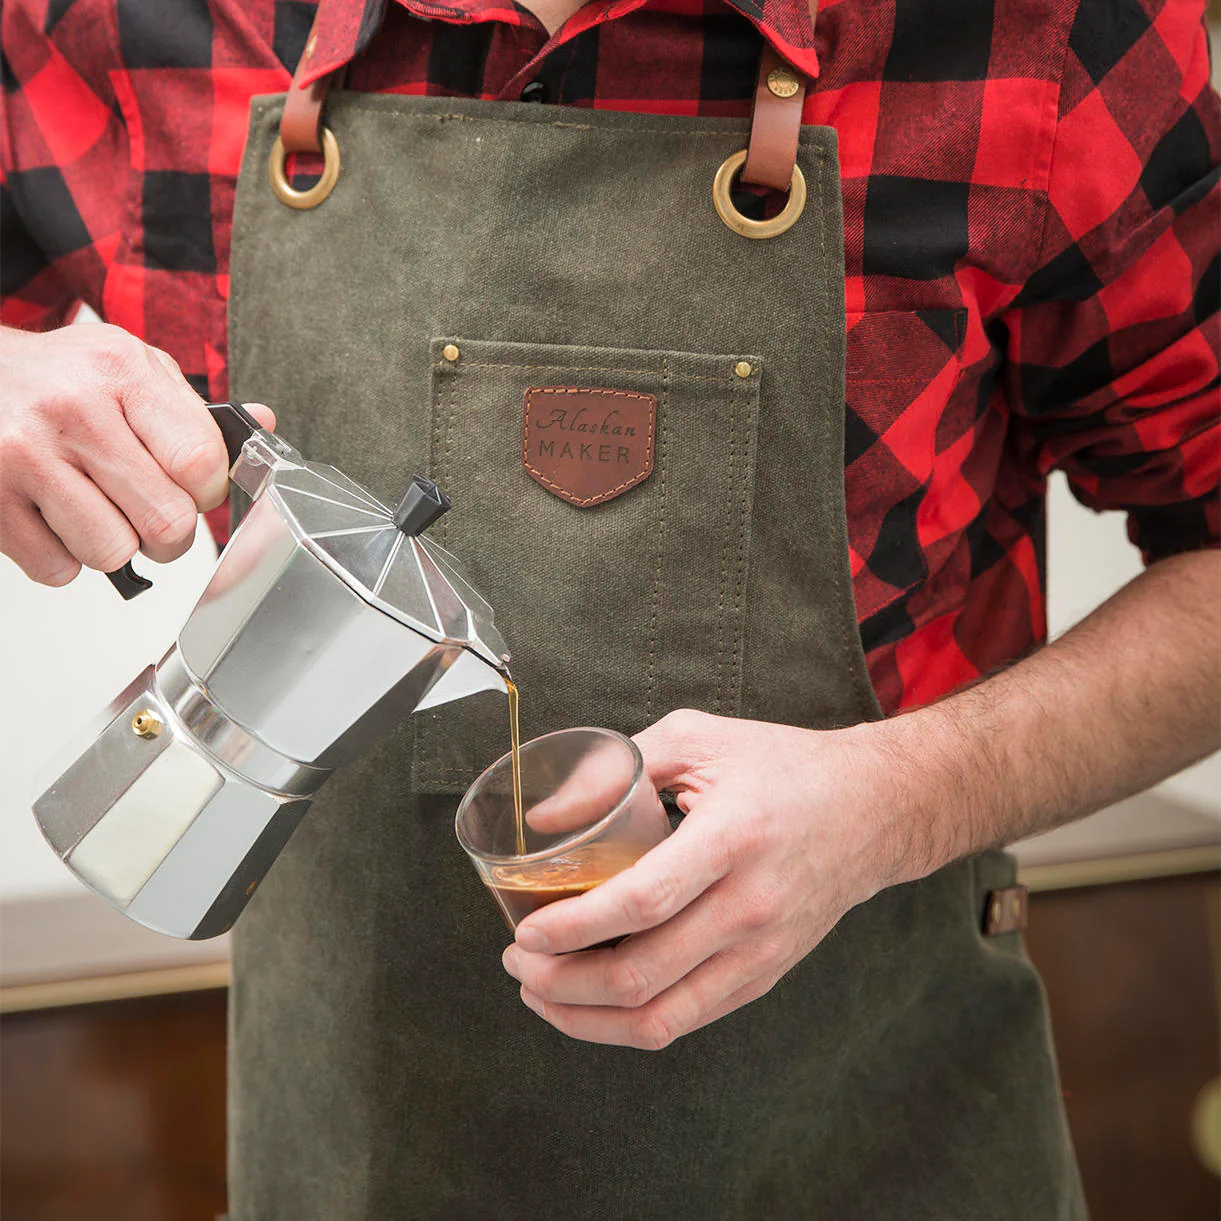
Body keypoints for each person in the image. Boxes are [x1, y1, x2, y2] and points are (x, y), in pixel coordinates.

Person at [2, 0, 1217, 1216]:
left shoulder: (1043, 35)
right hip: (345, 1155)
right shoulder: (124, 18)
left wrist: (898, 802)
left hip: (870, 1149)